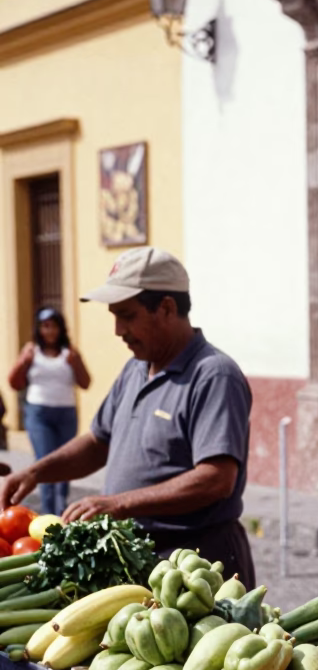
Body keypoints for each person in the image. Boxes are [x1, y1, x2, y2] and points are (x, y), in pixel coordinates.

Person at [0, 248, 256, 585]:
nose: (119, 330)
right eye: (114, 316)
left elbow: (215, 479)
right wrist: (35, 472)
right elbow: (97, 442)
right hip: (140, 555)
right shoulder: (135, 369)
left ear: (166, 307)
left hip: (198, 562)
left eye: (127, 316)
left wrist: (118, 504)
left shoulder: (213, 375)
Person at [8, 307, 91, 515]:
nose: (50, 331)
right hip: (39, 414)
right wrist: (23, 362)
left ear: (60, 328)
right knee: (44, 463)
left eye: (53, 326)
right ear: (39, 329)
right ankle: (47, 515)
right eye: (45, 326)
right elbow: (14, 383)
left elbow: (85, 383)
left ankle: (62, 512)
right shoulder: (31, 350)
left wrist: (76, 363)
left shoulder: (69, 352)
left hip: (66, 414)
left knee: (65, 464)